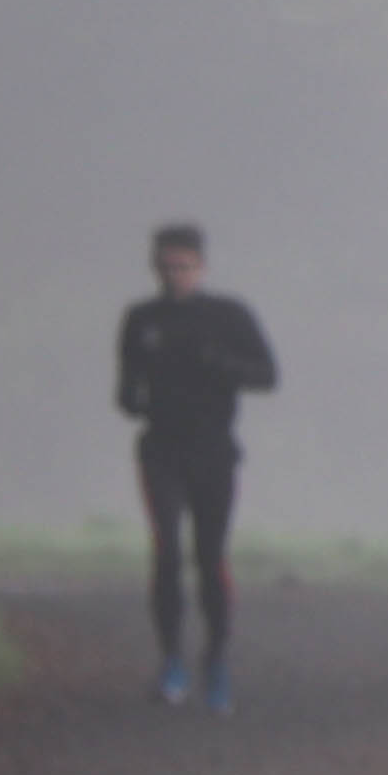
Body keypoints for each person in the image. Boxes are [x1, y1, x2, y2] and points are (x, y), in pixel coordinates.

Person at [115, 224, 278, 712]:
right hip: (161, 450)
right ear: (155, 267)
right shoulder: (142, 319)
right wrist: (137, 400)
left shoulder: (228, 315)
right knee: (167, 552)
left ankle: (216, 660)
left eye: (184, 267)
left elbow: (268, 375)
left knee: (210, 556)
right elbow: (125, 388)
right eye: (167, 267)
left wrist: (219, 365)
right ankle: (171, 661)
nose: (175, 276)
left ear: (201, 267)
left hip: (214, 450)